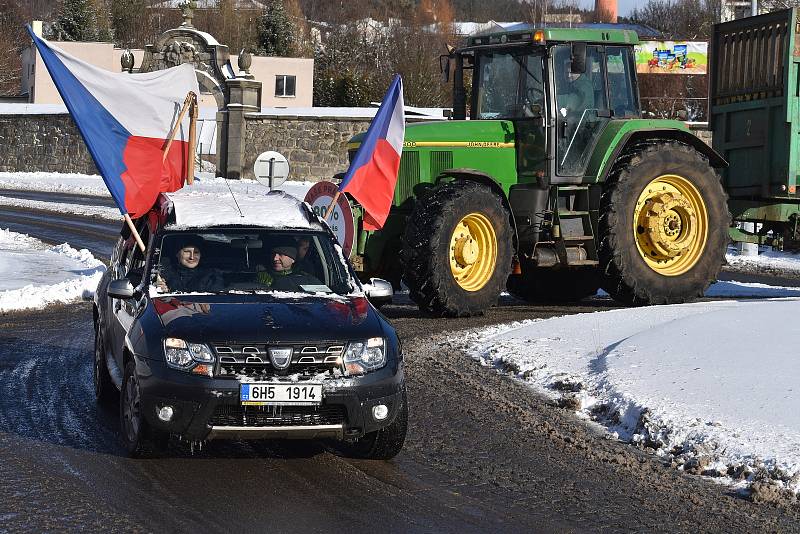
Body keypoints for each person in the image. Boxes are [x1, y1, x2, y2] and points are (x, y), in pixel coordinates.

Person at [156, 236, 223, 293]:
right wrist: (158, 289)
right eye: (187, 251)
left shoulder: (212, 277)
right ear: (177, 254)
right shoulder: (163, 273)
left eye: (196, 252)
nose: (192, 257)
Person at [256, 239, 323, 291]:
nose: (275, 258)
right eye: (273, 254)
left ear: (292, 259)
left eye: (280, 254)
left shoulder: (305, 278)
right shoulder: (261, 277)